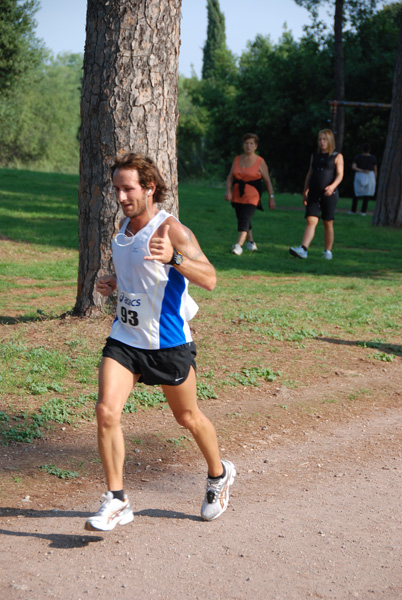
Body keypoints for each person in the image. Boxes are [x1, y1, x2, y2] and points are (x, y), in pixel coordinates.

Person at [85, 153, 236, 531]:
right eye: (117, 189)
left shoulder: (172, 230)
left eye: (128, 189)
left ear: (149, 188)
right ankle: (117, 500)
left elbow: (211, 277)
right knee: (106, 411)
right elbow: (141, 274)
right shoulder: (124, 226)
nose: (120, 196)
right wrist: (116, 284)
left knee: (187, 417)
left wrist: (176, 258)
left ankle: (218, 475)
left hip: (168, 342)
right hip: (126, 339)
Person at [289, 128, 344, 261]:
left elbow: (340, 174)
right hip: (313, 193)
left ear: (330, 140)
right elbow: (310, 173)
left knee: (327, 222)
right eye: (320, 139)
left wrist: (332, 186)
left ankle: (328, 251)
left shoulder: (337, 156)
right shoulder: (315, 155)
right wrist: (305, 191)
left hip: (329, 194)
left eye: (324, 139)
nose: (322, 142)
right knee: (311, 220)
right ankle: (303, 249)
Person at [225, 133, 275, 255]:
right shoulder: (237, 159)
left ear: (256, 146)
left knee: (245, 218)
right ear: (243, 145)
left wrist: (271, 197)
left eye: (252, 143)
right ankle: (251, 243)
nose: (249, 146)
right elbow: (230, 177)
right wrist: (228, 191)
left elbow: (267, 180)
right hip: (238, 194)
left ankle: (238, 246)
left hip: (252, 196)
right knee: (242, 218)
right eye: (246, 143)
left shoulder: (260, 161)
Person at [349, 143, 377, 216]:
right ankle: (363, 211)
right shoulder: (373, 158)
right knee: (366, 194)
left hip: (359, 175)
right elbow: (375, 169)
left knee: (356, 193)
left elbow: (354, 167)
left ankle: (353, 210)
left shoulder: (358, 157)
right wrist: (374, 178)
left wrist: (361, 170)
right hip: (369, 175)